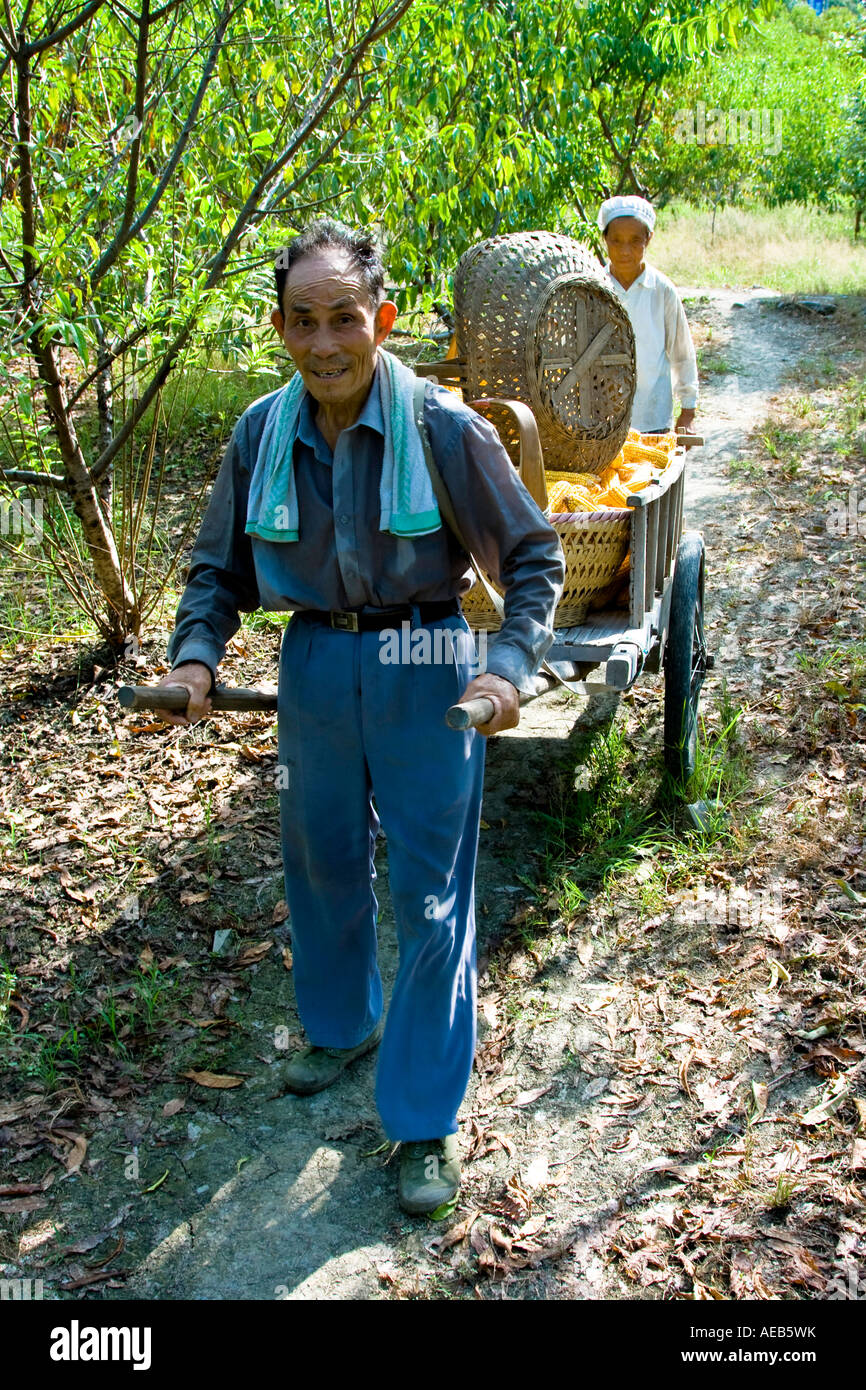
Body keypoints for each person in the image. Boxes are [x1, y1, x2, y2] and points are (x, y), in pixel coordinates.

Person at [154, 220, 565, 1215]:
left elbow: (532, 562)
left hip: (428, 666)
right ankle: (341, 1027)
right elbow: (216, 571)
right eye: (304, 321)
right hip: (314, 663)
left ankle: (423, 1121)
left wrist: (507, 669)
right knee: (321, 857)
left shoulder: (441, 427)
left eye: (345, 317)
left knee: (431, 895)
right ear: (280, 327)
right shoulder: (261, 432)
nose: (325, 341)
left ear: (379, 318)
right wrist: (195, 660)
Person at [598, 195, 699, 437]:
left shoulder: (662, 290)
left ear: (648, 239)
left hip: (652, 418)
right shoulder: (593, 288)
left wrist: (688, 411)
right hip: (602, 420)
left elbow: (682, 352)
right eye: (616, 241)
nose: (625, 251)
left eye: (635, 241)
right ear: (605, 240)